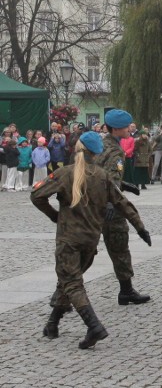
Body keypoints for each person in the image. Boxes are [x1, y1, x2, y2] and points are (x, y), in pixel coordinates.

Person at [31, 132, 151, 349]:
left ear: (78, 148)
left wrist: (54, 216)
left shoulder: (65, 173)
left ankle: (94, 326)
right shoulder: (103, 176)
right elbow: (122, 203)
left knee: (72, 283)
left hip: (69, 239)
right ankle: (53, 323)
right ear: (96, 153)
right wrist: (140, 228)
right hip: (90, 241)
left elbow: (36, 196)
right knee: (67, 279)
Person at [97, 108, 151, 305]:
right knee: (119, 245)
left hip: (92, 205)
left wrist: (125, 184)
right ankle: (126, 291)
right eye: (126, 126)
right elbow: (110, 177)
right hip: (110, 206)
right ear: (116, 129)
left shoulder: (99, 144)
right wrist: (112, 202)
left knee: (83, 250)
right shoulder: (116, 150)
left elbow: (97, 173)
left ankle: (62, 295)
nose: (130, 129)